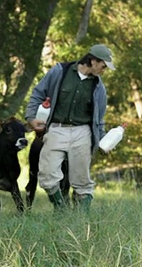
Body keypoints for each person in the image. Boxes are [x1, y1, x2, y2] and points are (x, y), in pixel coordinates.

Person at [25, 44, 115, 213]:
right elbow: (38, 94)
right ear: (93, 61)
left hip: (83, 132)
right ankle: (61, 208)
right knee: (47, 175)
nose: (104, 70)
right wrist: (31, 118)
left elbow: (99, 120)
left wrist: (102, 142)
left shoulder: (99, 88)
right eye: (103, 66)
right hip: (57, 129)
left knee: (82, 180)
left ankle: (81, 218)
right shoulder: (60, 71)